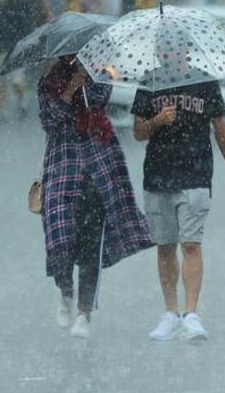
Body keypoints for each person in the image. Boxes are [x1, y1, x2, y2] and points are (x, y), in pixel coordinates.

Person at [38, 56, 153, 339]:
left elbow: (101, 99)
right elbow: (51, 120)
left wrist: (85, 82)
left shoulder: (99, 77)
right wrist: (69, 90)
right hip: (63, 166)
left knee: (92, 245)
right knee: (59, 237)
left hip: (98, 165)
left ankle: (84, 312)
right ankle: (66, 292)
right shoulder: (47, 84)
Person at [132, 78, 225, 341]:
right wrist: (158, 120)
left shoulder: (204, 82)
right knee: (165, 246)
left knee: (191, 244)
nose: (172, 56)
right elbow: (138, 132)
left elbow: (221, 128)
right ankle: (171, 313)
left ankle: (191, 314)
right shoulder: (150, 81)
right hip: (158, 176)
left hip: (196, 174)